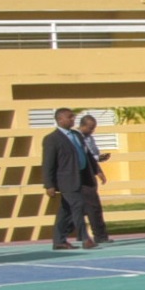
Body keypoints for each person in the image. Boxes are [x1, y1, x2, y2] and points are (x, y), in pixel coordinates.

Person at [42, 105, 100, 250]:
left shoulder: (77, 135)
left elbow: (86, 155)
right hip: (66, 181)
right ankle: (85, 238)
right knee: (78, 206)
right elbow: (48, 163)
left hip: (81, 177)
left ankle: (59, 241)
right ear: (60, 119)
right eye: (70, 117)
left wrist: (96, 170)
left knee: (65, 211)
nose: (73, 119)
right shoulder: (52, 139)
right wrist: (49, 184)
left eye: (73, 116)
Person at [72, 109, 115, 244]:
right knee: (82, 207)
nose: (92, 131)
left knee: (94, 207)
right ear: (83, 125)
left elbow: (91, 156)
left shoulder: (89, 138)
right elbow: (81, 157)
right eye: (90, 128)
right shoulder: (74, 137)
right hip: (78, 176)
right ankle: (83, 235)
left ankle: (100, 235)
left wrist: (99, 169)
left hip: (89, 173)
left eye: (93, 128)